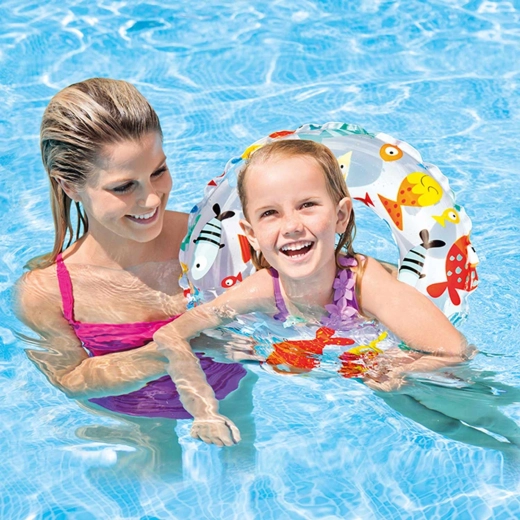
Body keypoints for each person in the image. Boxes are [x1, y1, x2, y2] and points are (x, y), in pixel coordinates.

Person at [153, 138, 471, 446]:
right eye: (269, 213)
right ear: (251, 234)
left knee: (465, 410)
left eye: (307, 205)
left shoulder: (367, 285)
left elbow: (456, 352)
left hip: (419, 375)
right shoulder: (264, 288)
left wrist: (403, 369)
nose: (291, 226)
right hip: (350, 380)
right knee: (429, 419)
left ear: (340, 216)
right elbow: (172, 334)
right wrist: (204, 410)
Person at [14, 78, 251, 453]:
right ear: (70, 186)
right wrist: (174, 348)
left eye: (158, 171)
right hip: (134, 420)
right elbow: (69, 378)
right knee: (154, 477)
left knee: (244, 470)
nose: (152, 199)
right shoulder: (47, 291)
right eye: (124, 187)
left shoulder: (213, 239)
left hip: (229, 394)